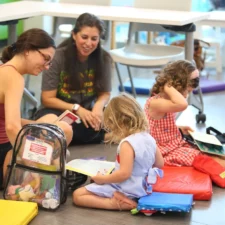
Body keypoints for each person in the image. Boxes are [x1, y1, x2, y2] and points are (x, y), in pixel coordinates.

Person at [0, 28, 73, 190]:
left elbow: (7, 119)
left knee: (50, 120)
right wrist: (31, 162)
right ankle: (43, 172)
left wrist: (38, 124)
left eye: (50, 62)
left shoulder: (5, 70)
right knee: (64, 130)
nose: (46, 67)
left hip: (4, 147)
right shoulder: (14, 77)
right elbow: (12, 127)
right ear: (27, 51)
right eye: (45, 59)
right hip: (3, 153)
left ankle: (50, 165)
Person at [73, 93, 164, 210]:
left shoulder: (127, 143)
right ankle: (125, 198)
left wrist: (102, 179)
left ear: (117, 123)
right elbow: (160, 163)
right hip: (143, 188)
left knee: (78, 195)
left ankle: (114, 203)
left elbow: (124, 174)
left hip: (126, 188)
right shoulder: (149, 138)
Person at [34, 13, 112, 145]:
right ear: (74, 35)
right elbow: (47, 99)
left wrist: (98, 107)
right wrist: (76, 109)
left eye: (94, 39)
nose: (88, 43)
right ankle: (103, 137)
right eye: (84, 37)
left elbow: (105, 93)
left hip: (87, 111)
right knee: (58, 127)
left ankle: (95, 136)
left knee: (121, 116)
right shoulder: (58, 57)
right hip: (58, 111)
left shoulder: (104, 58)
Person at [144, 60, 225, 168]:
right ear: (176, 86)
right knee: (207, 159)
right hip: (164, 151)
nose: (187, 95)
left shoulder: (166, 101)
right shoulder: (155, 102)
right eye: (187, 91)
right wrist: (167, 85)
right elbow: (183, 104)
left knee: (216, 153)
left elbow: (157, 127)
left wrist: (178, 128)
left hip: (174, 144)